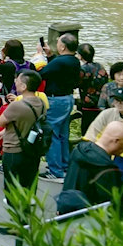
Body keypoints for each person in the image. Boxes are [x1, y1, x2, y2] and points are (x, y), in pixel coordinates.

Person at [57, 121, 123, 214]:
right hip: (89, 219)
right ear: (116, 141)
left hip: (66, 209)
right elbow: (111, 205)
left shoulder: (79, 150)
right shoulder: (107, 168)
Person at [0, 70, 48, 197]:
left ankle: (15, 209)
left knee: (12, 184)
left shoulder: (16, 106)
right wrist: (4, 132)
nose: (15, 82)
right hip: (32, 148)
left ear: (24, 87)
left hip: (14, 148)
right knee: (30, 179)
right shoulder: (41, 103)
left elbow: (1, 122)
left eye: (17, 81)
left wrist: (3, 130)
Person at [38, 33, 81, 183]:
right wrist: (50, 56)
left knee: (52, 133)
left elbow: (42, 73)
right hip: (68, 98)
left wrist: (38, 57)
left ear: (62, 46)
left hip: (55, 100)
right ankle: (64, 166)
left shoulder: (60, 62)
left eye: (58, 43)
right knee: (63, 133)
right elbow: (56, 69)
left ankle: (55, 170)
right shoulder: (74, 61)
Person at [77, 43, 106, 133]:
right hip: (101, 102)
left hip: (88, 104)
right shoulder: (100, 66)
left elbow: (77, 83)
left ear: (80, 56)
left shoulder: (83, 69)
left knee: (87, 130)